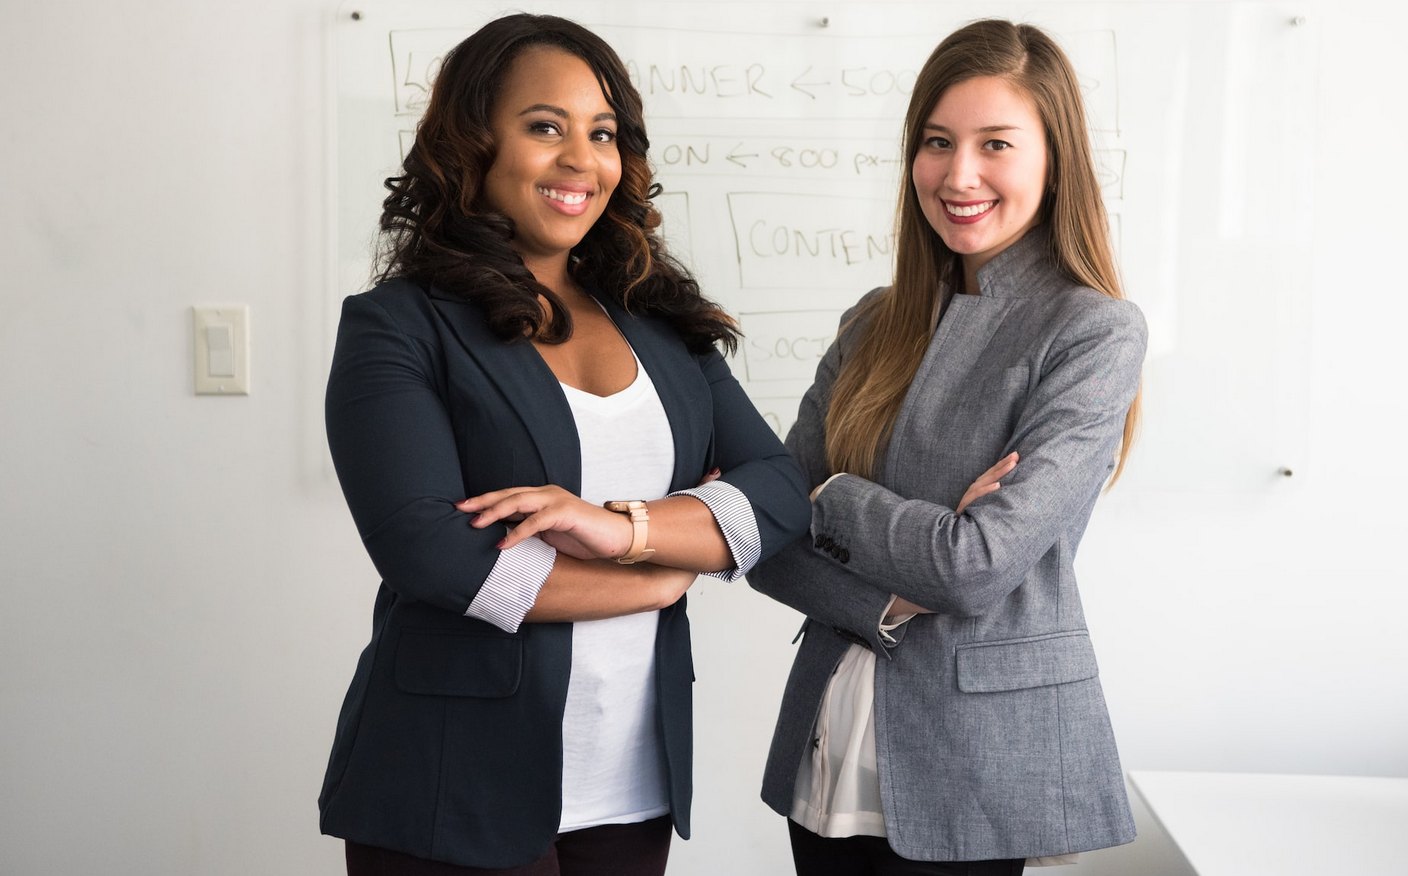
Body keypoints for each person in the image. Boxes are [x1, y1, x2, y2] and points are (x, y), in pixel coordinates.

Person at [317, 14, 809, 876]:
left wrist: (624, 532)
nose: (582, 158)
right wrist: (656, 581)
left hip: (630, 777)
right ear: (473, 144)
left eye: (603, 132)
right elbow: (431, 553)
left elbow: (778, 492)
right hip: (451, 778)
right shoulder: (398, 326)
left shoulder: (660, 323)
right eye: (546, 127)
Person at [749, 18, 1145, 875]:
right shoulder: (873, 320)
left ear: (1054, 157)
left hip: (975, 759)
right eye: (937, 142)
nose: (958, 174)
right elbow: (764, 538)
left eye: (995, 143)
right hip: (828, 739)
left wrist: (832, 496)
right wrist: (888, 596)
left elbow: (974, 565)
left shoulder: (1092, 332)